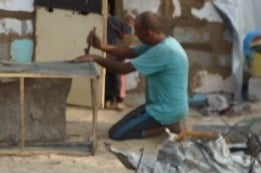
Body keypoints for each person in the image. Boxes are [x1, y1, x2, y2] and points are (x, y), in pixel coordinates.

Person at [75, 12, 190, 140]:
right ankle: (167, 124)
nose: (135, 34)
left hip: (165, 110)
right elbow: (129, 52)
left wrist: (95, 58)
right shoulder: (164, 42)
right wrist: (100, 46)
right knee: (123, 125)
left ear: (148, 34)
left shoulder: (163, 51)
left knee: (116, 133)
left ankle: (163, 130)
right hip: (161, 106)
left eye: (138, 32)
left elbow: (124, 69)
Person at [103, 12, 134, 110]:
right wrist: (129, 24)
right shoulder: (113, 20)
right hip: (115, 54)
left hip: (105, 53)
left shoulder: (101, 21)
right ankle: (119, 102)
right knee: (119, 78)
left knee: (107, 78)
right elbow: (125, 33)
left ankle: (108, 101)